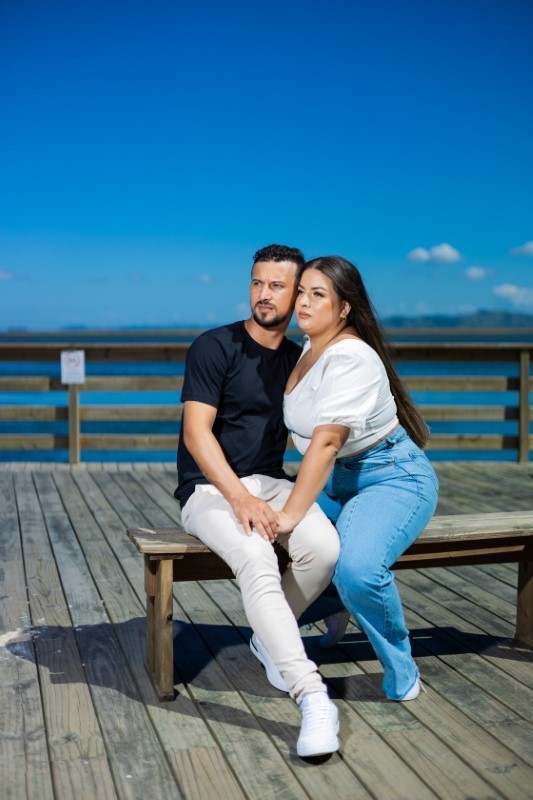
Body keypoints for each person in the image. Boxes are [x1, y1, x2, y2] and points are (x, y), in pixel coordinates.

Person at [175, 244, 341, 757]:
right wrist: (239, 498)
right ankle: (311, 695)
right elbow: (196, 432)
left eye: (277, 286)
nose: (263, 294)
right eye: (257, 283)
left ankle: (269, 638)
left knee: (324, 550)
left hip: (271, 482)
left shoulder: (298, 360)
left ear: (298, 295)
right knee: (255, 555)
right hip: (209, 489)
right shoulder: (214, 346)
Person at [277, 255, 439, 702]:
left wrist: (290, 513)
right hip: (338, 479)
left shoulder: (351, 357)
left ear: (345, 307)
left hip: (391, 477)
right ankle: (333, 606)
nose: (304, 303)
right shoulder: (309, 348)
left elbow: (328, 442)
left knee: (359, 570)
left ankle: (402, 669)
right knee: (267, 542)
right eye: (302, 292)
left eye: (318, 295)